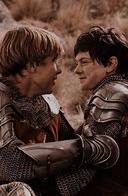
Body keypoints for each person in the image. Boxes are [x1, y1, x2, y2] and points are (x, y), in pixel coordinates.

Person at [0, 26, 121, 196]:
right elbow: (9, 164)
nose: (59, 69)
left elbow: (67, 143)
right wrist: (83, 149)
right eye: (53, 61)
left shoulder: (46, 101)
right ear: (32, 66)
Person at [73, 25, 128, 195]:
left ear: (110, 64)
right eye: (76, 63)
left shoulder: (111, 95)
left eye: (84, 62)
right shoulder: (121, 90)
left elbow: (92, 160)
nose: (77, 70)